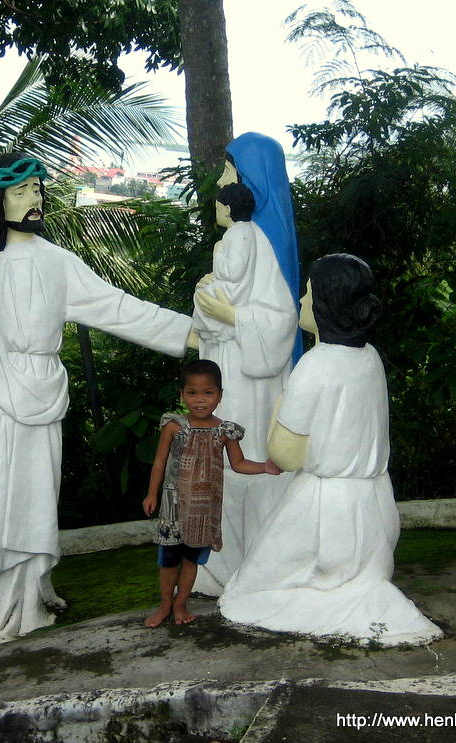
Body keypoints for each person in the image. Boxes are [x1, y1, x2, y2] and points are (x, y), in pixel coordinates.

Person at [0, 152, 194, 648]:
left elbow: (118, 309)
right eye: (20, 192)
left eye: (37, 190)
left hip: (37, 395)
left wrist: (196, 333)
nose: (34, 200)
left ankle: (23, 601)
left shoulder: (57, 263)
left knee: (26, 499)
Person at [218, 254, 442, 646]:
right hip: (374, 502)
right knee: (356, 580)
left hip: (324, 507)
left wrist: (279, 405)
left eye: (307, 293)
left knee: (254, 590)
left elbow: (286, 455)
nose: (302, 301)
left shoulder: (317, 365)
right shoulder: (369, 358)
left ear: (325, 303)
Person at [191, 133, 300, 596]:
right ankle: (223, 562)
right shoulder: (236, 242)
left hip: (254, 380)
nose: (219, 181)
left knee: (250, 463)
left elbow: (283, 321)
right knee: (222, 466)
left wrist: (232, 315)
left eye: (228, 173)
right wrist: (210, 305)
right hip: (225, 366)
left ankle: (258, 561)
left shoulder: (266, 244)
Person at [141, 359, 279, 627]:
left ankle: (181, 605)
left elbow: (238, 464)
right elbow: (159, 461)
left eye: (208, 393)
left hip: (204, 510)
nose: (200, 400)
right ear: (182, 394)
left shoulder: (225, 431)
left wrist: (265, 466)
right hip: (173, 505)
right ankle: (165, 604)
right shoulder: (174, 426)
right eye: (192, 393)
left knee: (191, 560)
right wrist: (151, 494)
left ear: (219, 396)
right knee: (169, 560)